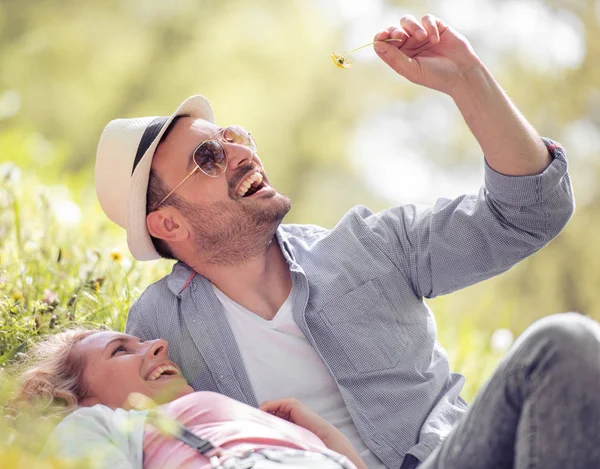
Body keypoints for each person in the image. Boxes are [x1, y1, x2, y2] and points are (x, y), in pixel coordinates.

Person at [94, 14, 577, 469]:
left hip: (449, 457)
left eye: (233, 137)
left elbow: (528, 212)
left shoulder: (371, 247)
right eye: (207, 157)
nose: (241, 152)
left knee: (566, 346)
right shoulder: (159, 330)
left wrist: (467, 79)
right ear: (169, 225)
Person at [16, 329, 364, 469]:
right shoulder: (97, 422)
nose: (159, 344)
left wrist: (328, 438)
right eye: (119, 350)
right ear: (80, 400)